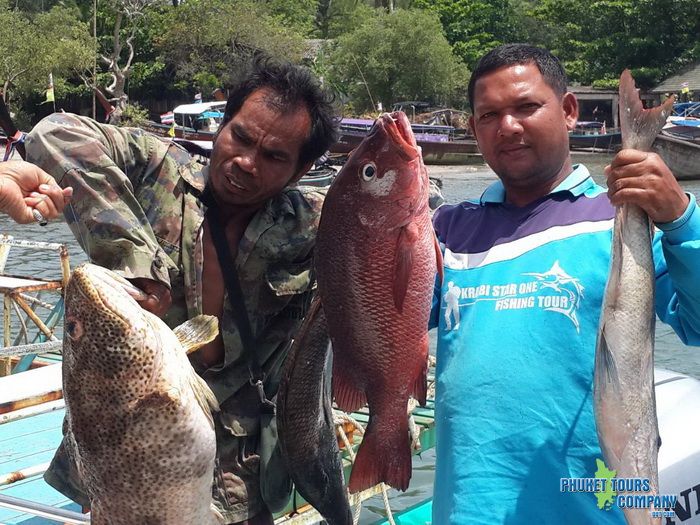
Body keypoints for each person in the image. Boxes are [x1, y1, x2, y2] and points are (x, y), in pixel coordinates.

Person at [0, 56, 339, 525]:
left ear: (300, 171)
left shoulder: (317, 224)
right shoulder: (155, 170)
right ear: (222, 126)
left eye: (274, 156)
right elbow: (54, 134)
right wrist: (134, 267)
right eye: (240, 137)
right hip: (123, 465)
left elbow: (401, 233)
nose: (245, 162)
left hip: (241, 475)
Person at [429, 43, 700, 524]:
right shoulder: (448, 230)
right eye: (489, 114)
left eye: (526, 107)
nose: (507, 126)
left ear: (569, 111)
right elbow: (379, 321)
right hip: (466, 511)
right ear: (473, 129)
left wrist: (681, 218)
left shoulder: (615, 216)